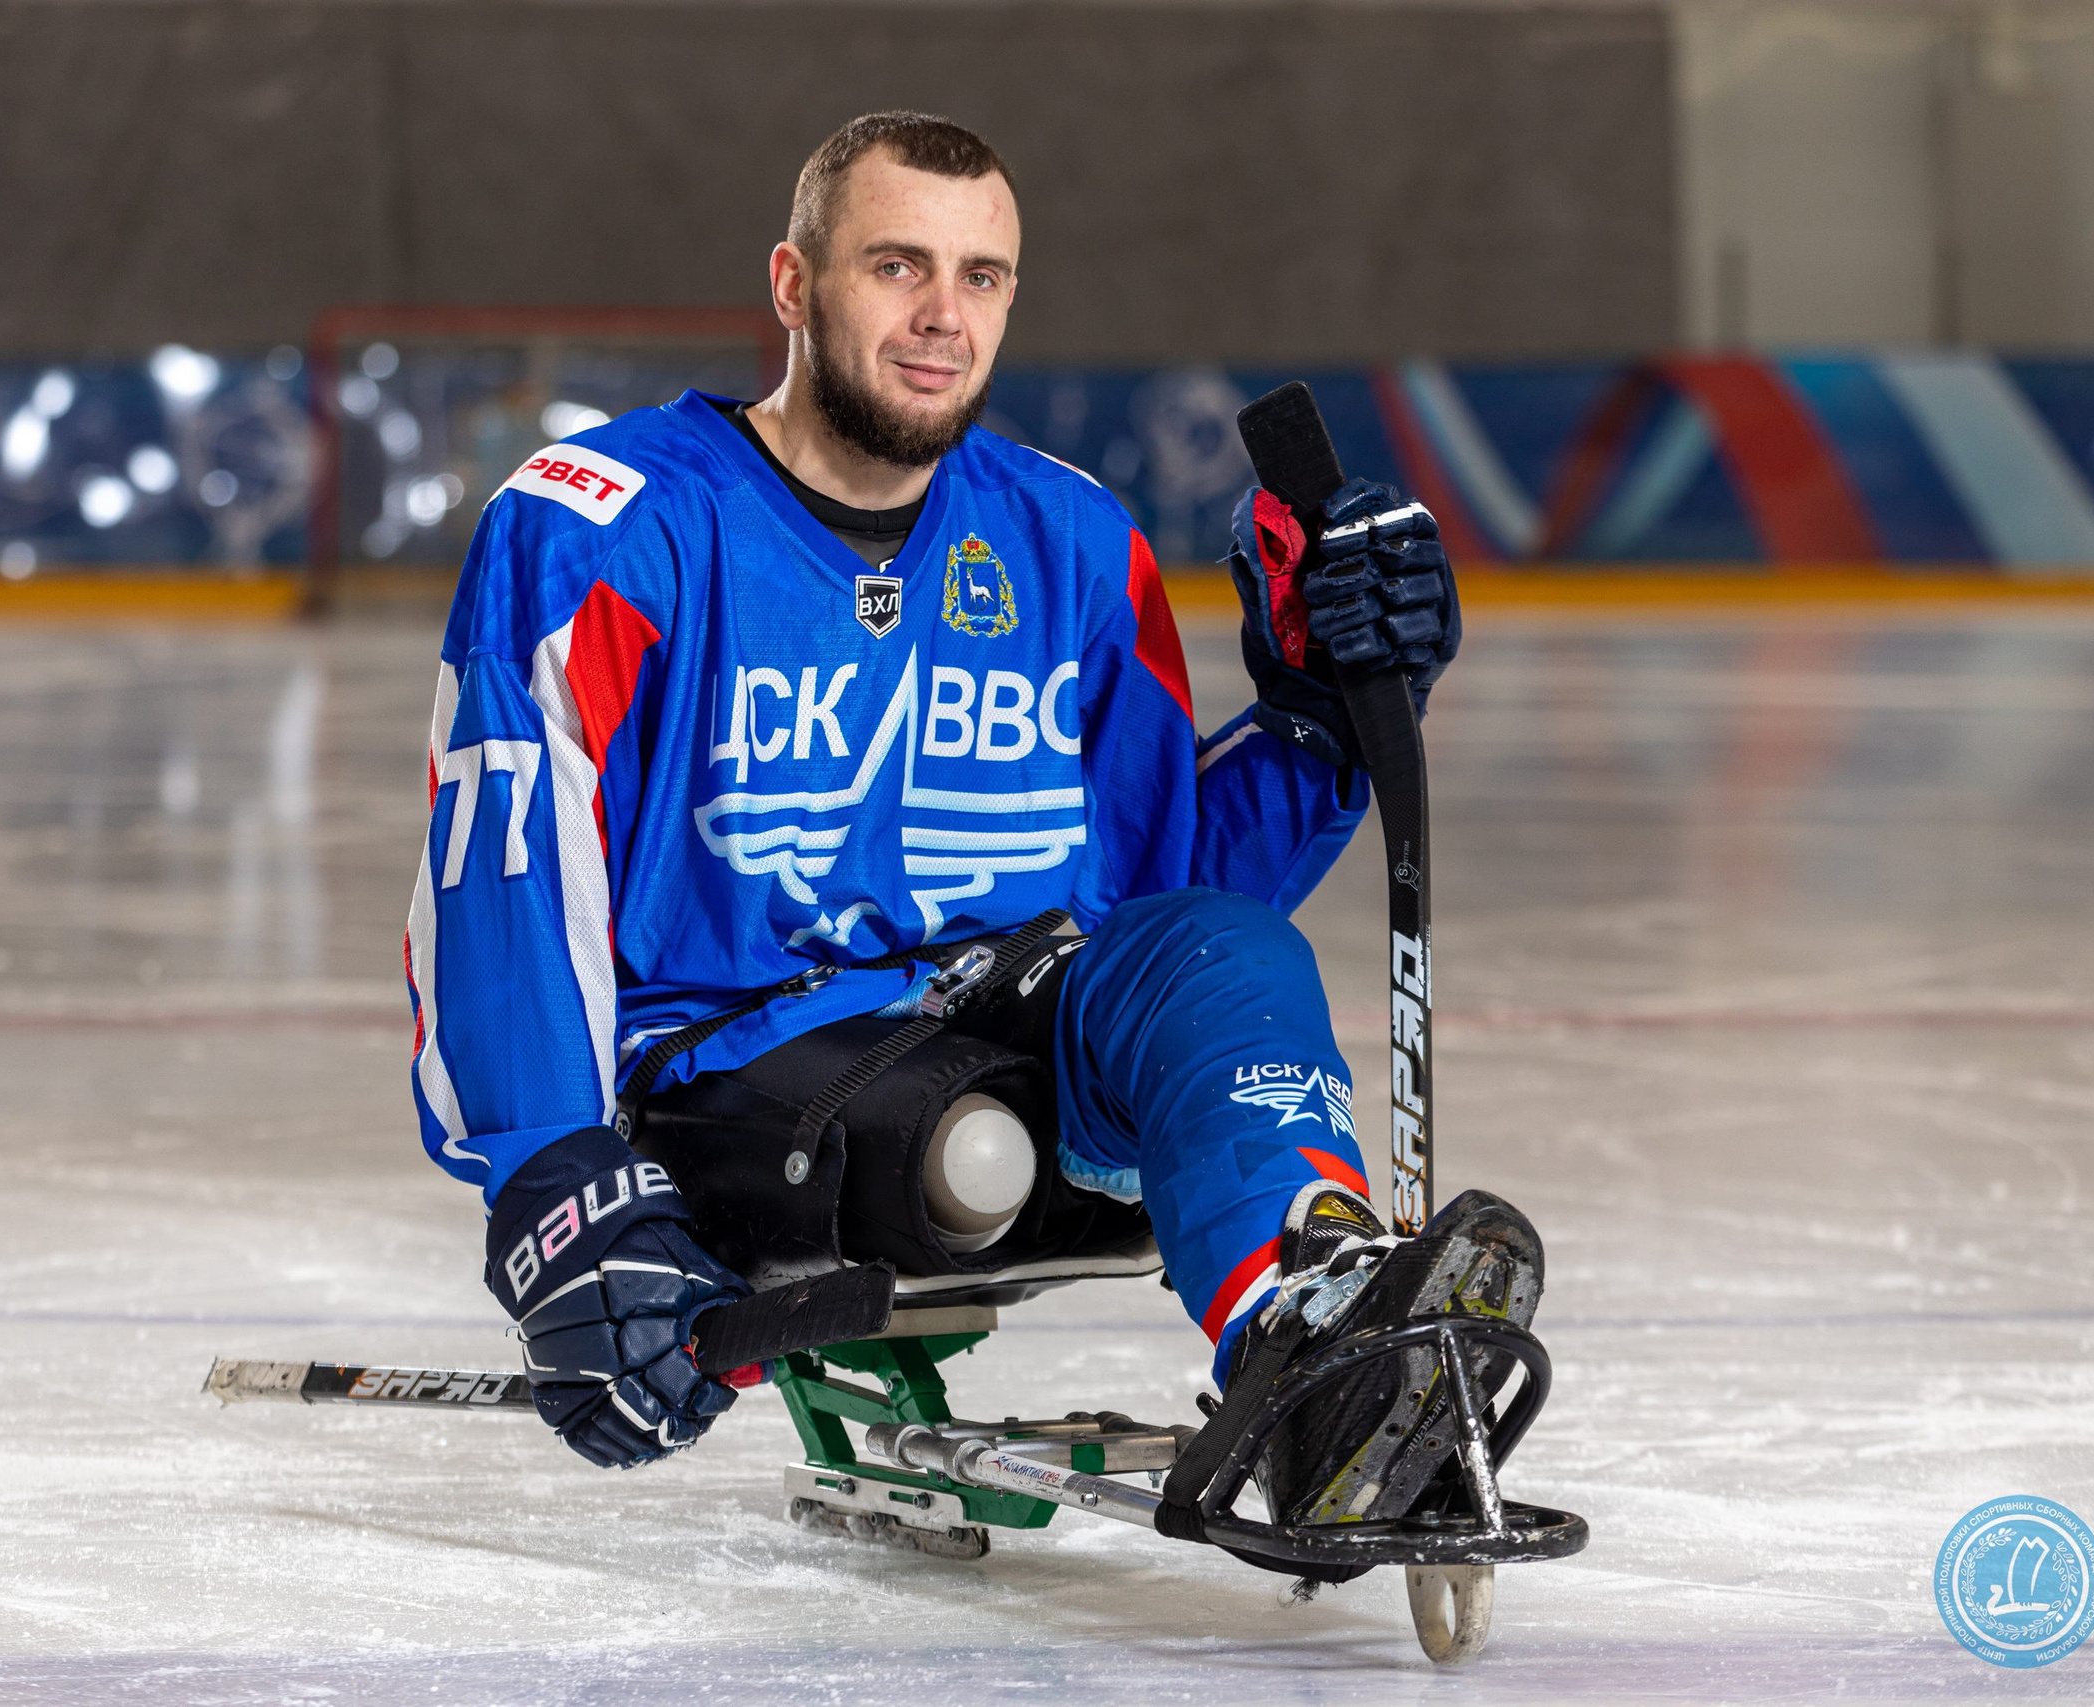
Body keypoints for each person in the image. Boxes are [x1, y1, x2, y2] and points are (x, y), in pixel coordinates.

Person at [404, 111, 1539, 1542]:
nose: (946, 317)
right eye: (898, 266)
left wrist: (1328, 718)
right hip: (746, 1060)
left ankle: (1314, 1339)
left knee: (1222, 955)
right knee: (969, 1145)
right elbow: (500, 868)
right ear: (794, 283)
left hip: (1008, 1018)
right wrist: (557, 1178)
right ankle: (1297, 1332)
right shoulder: (605, 527)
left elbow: (1152, 890)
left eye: (985, 277)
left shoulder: (1068, 536)